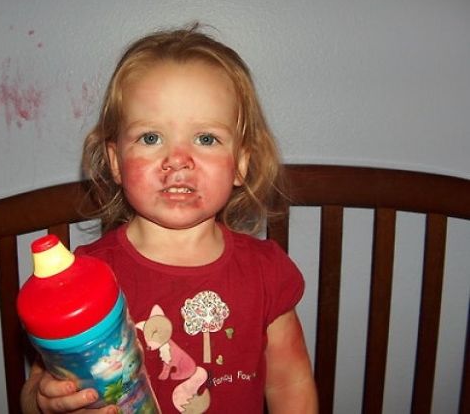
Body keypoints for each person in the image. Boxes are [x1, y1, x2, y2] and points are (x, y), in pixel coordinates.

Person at [21, 24, 318, 413]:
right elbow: (37, 388)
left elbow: (291, 383)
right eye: (151, 138)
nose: (178, 160)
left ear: (242, 163)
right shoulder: (87, 279)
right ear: (115, 161)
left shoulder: (266, 271)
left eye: (206, 139)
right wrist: (45, 401)